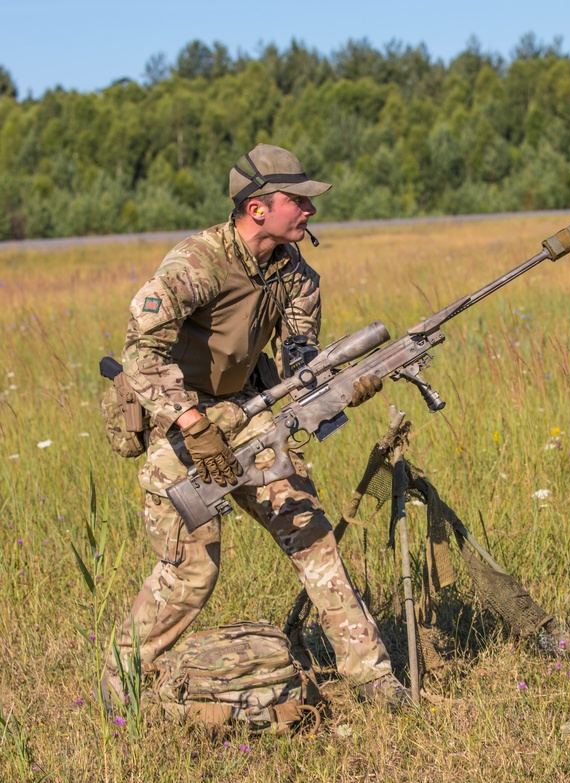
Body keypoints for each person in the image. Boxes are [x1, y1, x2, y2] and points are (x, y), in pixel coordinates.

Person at [101, 143, 408, 711]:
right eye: (299, 200)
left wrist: (352, 385)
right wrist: (194, 426)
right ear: (258, 208)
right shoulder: (196, 263)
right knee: (193, 568)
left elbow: (300, 365)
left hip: (249, 413)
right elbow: (139, 354)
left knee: (312, 537)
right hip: (181, 419)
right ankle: (120, 686)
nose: (310, 211)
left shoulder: (297, 275)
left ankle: (374, 679)